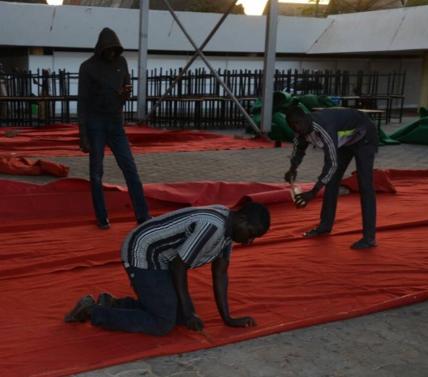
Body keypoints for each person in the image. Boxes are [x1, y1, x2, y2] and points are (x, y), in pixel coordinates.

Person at [64, 202, 270, 336]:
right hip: (143, 252)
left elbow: (220, 274)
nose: (250, 240)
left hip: (163, 259)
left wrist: (228, 319)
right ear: (242, 220)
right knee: (163, 322)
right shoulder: (213, 226)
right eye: (252, 234)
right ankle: (93, 311)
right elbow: (179, 267)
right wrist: (189, 311)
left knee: (179, 315)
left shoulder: (229, 231)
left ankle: (114, 303)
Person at [77, 27, 150, 229]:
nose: (111, 53)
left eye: (114, 50)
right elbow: (82, 102)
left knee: (130, 168)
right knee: (96, 172)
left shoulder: (121, 62)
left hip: (116, 122)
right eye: (108, 50)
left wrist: (125, 94)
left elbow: (126, 87)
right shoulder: (88, 67)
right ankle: (102, 216)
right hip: (95, 123)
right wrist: (83, 134)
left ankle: (142, 216)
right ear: (101, 49)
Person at [284, 105, 378, 249]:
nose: (297, 128)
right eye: (293, 126)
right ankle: (324, 227)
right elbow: (298, 152)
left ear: (305, 118)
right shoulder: (300, 133)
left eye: (299, 123)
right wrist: (292, 170)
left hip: (364, 135)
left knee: (365, 185)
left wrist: (313, 192)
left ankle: (369, 238)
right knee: (331, 181)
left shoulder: (324, 127)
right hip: (345, 141)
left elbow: (331, 164)